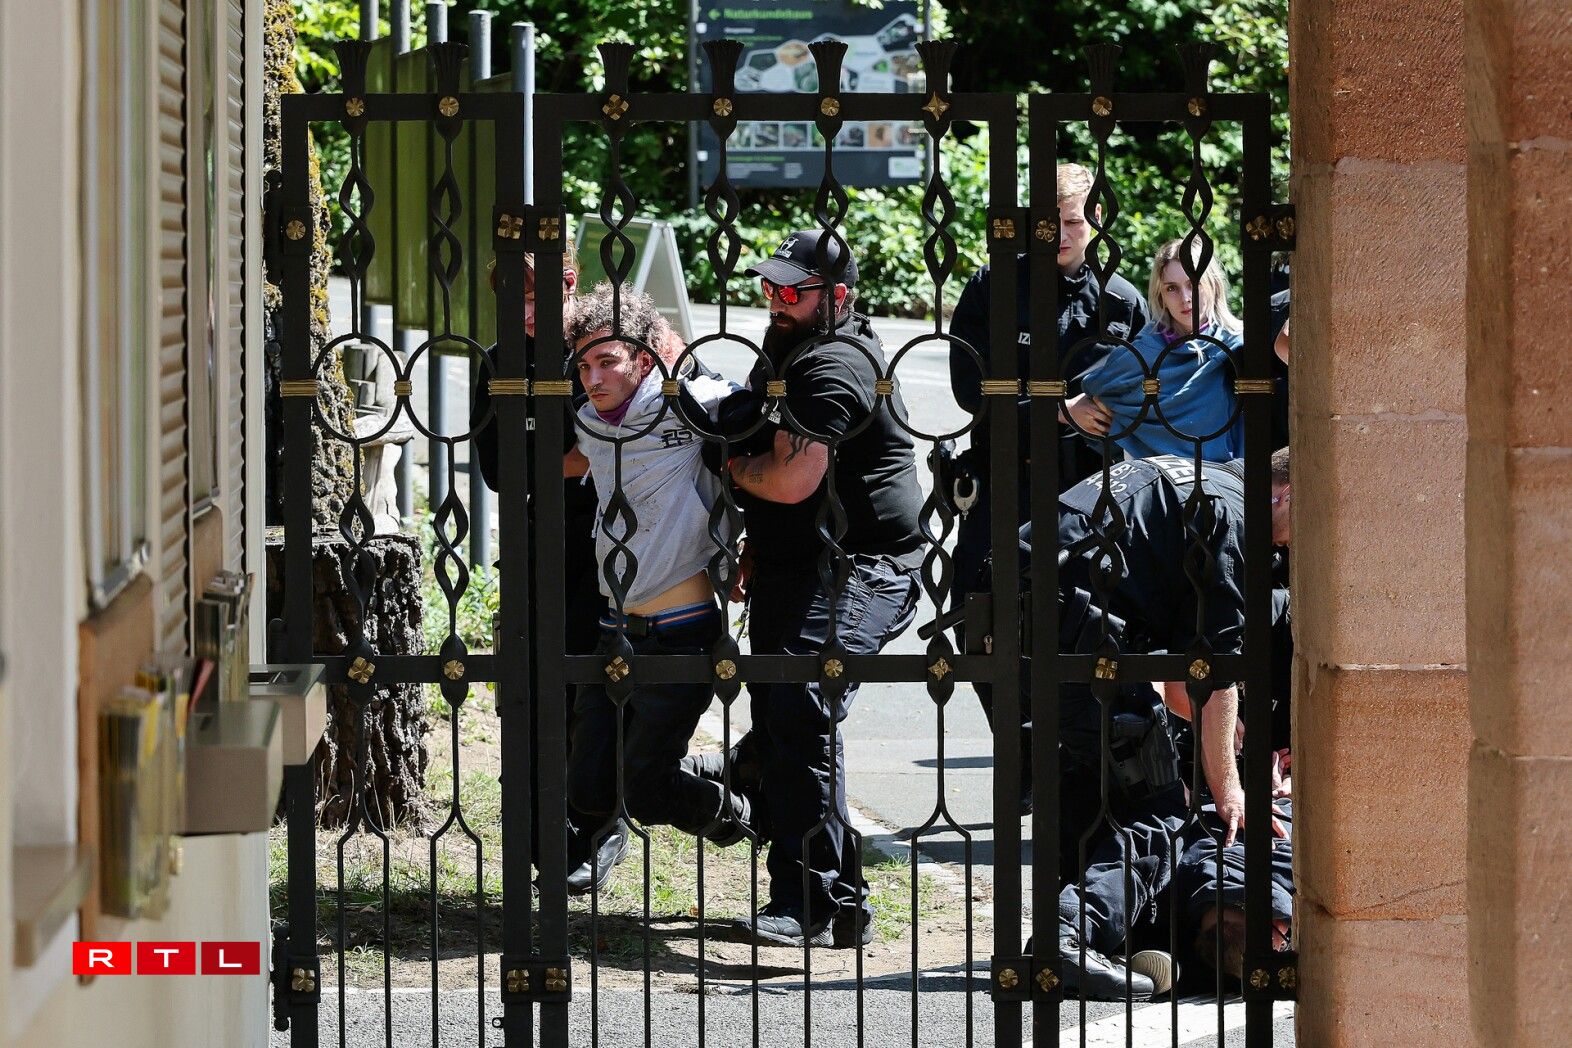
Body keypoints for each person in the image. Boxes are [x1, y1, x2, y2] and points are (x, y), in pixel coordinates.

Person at [1021, 446, 1292, 1000]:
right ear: (1287, 493)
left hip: (1026, 608)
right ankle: (1066, 939)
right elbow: (1213, 668)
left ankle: (1095, 938)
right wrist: (1230, 791)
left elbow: (1181, 686)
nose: (1289, 547)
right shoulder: (1232, 514)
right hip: (1078, 625)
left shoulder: (1197, 481)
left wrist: (1223, 731)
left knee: (1104, 778)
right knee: (1165, 808)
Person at [718, 230, 923, 948]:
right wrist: (758, 540)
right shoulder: (787, 346)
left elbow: (791, 477)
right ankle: (818, 891)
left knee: (803, 698)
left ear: (836, 298)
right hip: (797, 561)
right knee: (783, 702)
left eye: (791, 291)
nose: (775, 300)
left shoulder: (835, 363)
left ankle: (815, 901)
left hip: (865, 563)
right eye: (770, 287)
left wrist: (731, 473)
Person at [946, 162, 1149, 812]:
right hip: (1004, 483)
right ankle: (1028, 747)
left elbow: (1148, 394)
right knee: (977, 619)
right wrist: (1057, 409)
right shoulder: (991, 289)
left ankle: (1078, 774)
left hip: (1088, 493)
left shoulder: (1121, 302)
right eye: (1047, 222)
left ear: (1094, 222)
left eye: (1070, 221)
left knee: (1086, 630)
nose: (1059, 234)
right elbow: (967, 390)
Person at [558, 284, 760, 857]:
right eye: (584, 364)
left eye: (608, 361)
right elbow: (567, 461)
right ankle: (724, 782)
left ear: (644, 360)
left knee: (647, 790)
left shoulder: (689, 403)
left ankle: (745, 815)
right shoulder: (589, 423)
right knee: (589, 788)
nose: (593, 378)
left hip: (682, 626)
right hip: (614, 627)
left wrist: (684, 359)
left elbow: (749, 409)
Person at [469, 247, 631, 895]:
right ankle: (543, 843)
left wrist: (565, 455)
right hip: (537, 543)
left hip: (608, 544)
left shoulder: (597, 350)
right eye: (514, 300)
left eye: (539, 296)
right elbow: (496, 470)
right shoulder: (498, 362)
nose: (527, 313)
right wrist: (570, 456)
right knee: (536, 691)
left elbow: (625, 440)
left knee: (596, 688)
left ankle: (601, 828)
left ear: (570, 284)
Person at [1081, 238, 1245, 462]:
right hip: (1155, 484)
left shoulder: (1238, 345)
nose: (1186, 299)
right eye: (1172, 289)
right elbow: (1097, 395)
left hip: (1226, 483)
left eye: (1193, 284)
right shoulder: (1139, 355)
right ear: (1161, 295)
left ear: (1213, 285)